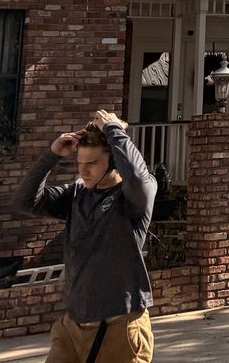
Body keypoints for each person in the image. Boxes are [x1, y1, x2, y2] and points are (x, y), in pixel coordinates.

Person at [17, 108, 158, 363]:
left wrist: (113, 130)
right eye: (80, 164)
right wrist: (52, 156)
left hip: (119, 326)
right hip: (71, 327)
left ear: (114, 160)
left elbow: (137, 177)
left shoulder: (133, 197)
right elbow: (25, 201)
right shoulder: (75, 194)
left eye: (92, 164)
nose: (84, 171)